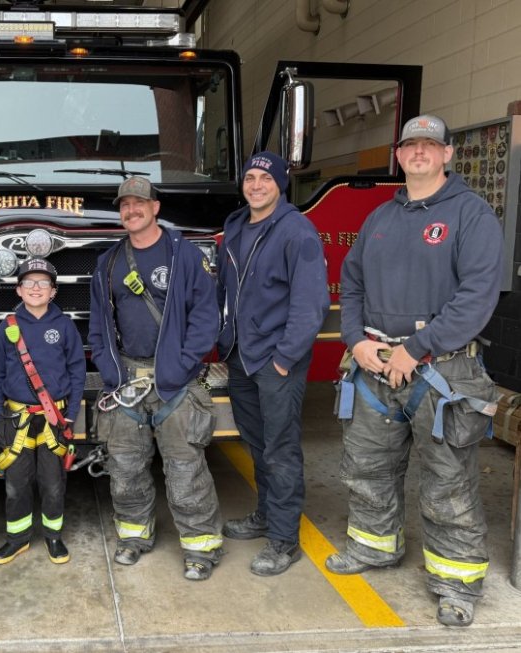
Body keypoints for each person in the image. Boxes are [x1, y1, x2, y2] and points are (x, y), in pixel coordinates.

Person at [327, 114, 503, 627]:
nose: (419, 153)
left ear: (448, 154)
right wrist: (356, 340)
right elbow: (351, 281)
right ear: (399, 157)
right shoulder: (380, 218)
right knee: (367, 467)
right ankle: (374, 547)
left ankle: (457, 583)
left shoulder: (471, 215)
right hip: (375, 369)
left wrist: (418, 348)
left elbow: (475, 298)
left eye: (430, 145)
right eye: (410, 146)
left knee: (448, 478)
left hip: (441, 372)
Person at [88, 176, 224, 581]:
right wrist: (110, 371)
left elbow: (205, 317)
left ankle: (201, 547)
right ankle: (133, 537)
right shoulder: (108, 262)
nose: (132, 210)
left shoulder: (183, 256)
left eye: (139, 203)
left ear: (156, 208)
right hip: (126, 381)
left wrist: (181, 366)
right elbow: (99, 325)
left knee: (185, 468)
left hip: (176, 385)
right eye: (125, 205)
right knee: (125, 468)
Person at [216, 152, 329, 576]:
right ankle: (265, 515)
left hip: (277, 360)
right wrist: (224, 344)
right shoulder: (236, 228)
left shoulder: (296, 231)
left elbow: (311, 303)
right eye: (249, 177)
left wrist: (284, 359)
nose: (256, 184)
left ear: (280, 184)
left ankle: (283, 539)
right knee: (258, 445)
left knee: (281, 450)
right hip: (241, 358)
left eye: (265, 178)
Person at [0, 258, 86, 565]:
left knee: (53, 483)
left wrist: (69, 414)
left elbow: (77, 371)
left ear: (53, 291)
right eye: (29, 283)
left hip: (53, 420)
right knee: (16, 485)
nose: (35, 288)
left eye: (43, 283)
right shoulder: (7, 328)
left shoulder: (65, 326)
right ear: (18, 290)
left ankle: (53, 537)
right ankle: (17, 539)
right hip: (17, 420)